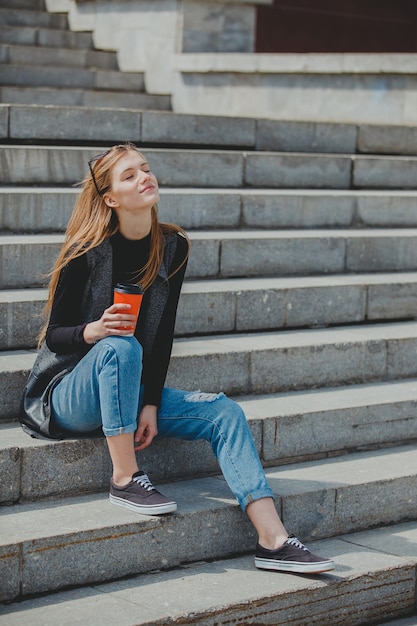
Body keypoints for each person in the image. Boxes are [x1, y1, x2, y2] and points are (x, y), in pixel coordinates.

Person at [20, 142, 334, 575]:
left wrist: (149, 403)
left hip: (128, 389)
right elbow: (54, 336)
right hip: (71, 394)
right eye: (129, 175)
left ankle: (273, 540)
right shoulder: (86, 250)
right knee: (120, 344)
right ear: (110, 198)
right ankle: (125, 478)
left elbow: (163, 335)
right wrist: (93, 330)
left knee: (224, 412)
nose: (144, 177)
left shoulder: (172, 247)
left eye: (145, 169)